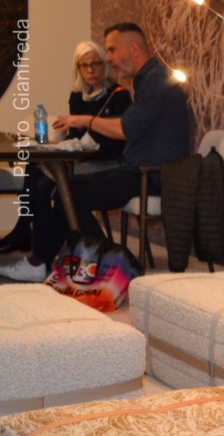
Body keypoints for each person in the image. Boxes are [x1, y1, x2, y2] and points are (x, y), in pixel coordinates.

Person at [3, 22, 191, 282]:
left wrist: (85, 120)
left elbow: (124, 129)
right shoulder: (149, 80)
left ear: (134, 49)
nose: (109, 58)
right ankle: (48, 261)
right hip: (136, 170)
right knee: (65, 189)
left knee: (68, 191)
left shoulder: (156, 82)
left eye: (112, 50)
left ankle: (112, 262)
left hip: (150, 176)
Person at [0, 39, 131, 254]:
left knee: (43, 184)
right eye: (84, 65)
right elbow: (75, 135)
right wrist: (70, 142)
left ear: (104, 65)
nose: (90, 70)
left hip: (105, 161)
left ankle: (37, 244)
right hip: (80, 160)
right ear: (78, 68)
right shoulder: (77, 96)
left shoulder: (119, 95)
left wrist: (88, 144)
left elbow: (120, 140)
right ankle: (27, 235)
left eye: (95, 64)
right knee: (34, 169)